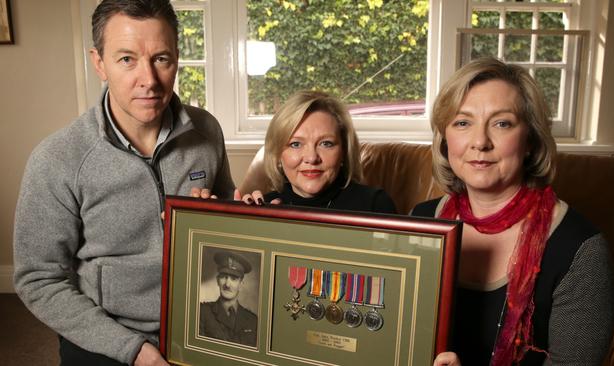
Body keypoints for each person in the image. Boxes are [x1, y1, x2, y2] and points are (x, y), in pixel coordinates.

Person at [12, 1, 235, 365]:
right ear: (99, 63)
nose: (148, 79)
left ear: (177, 57)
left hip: (200, 324)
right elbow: (38, 279)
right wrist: (133, 351)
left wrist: (238, 214)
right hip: (105, 336)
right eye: (127, 59)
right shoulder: (57, 159)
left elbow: (228, 210)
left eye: (161, 58)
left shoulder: (207, 131)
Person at [411, 58, 614, 365]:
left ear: (531, 140)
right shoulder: (419, 222)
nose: (480, 142)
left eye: (502, 123)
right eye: (463, 122)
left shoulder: (581, 251)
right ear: (445, 139)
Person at [239, 90, 396, 214]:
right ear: (279, 155)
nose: (312, 158)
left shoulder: (374, 205)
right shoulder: (264, 209)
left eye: (326, 143)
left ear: (344, 151)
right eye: (295, 144)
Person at [199, 251, 258, 346]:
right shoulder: (202, 312)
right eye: (223, 277)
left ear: (241, 285)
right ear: (218, 280)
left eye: (234, 278)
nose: (227, 284)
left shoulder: (253, 321)